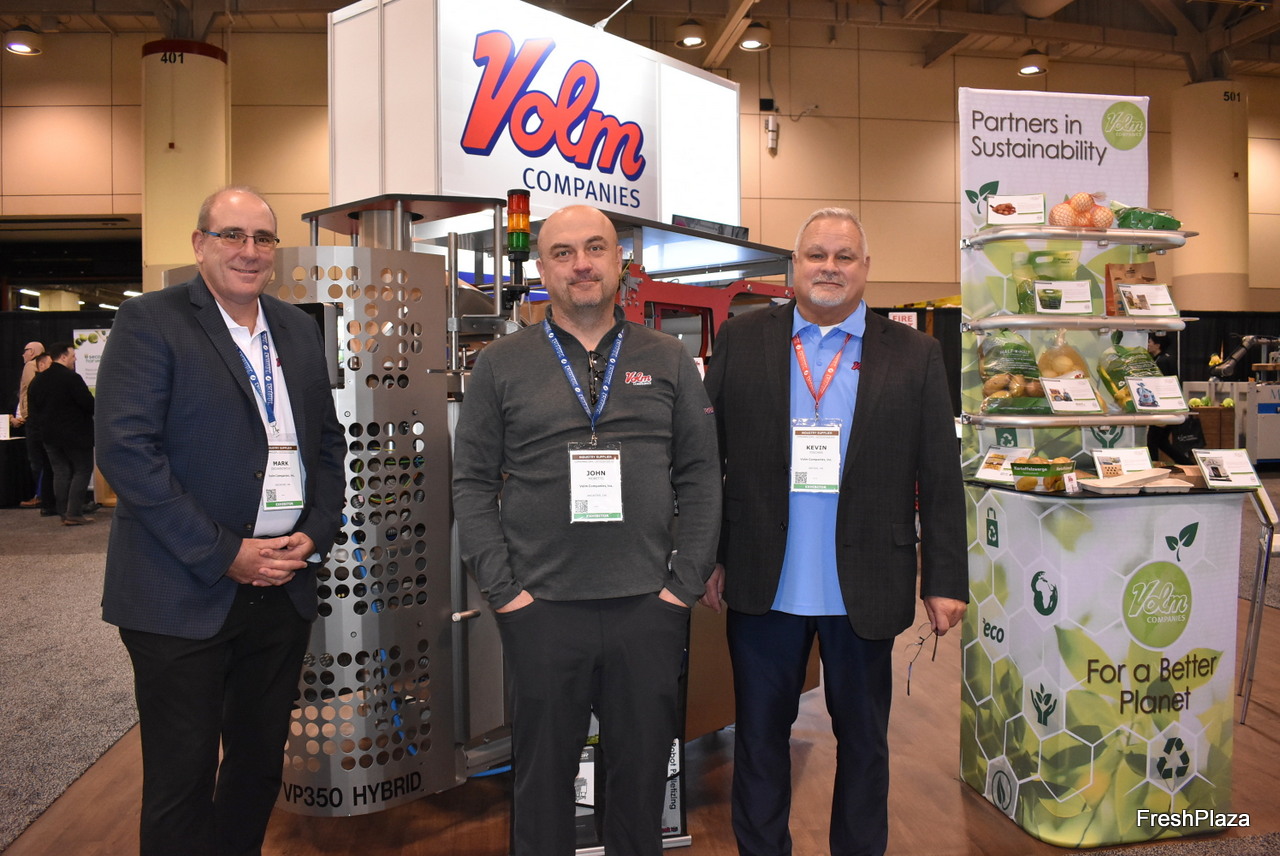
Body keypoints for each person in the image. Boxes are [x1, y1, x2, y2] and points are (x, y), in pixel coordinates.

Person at [452, 204, 721, 856]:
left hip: (647, 610)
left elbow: (701, 477)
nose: (581, 264)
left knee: (640, 789)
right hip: (541, 611)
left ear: (618, 262)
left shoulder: (667, 358)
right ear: (543, 270)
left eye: (595, 248)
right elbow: (472, 484)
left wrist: (680, 589)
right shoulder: (501, 364)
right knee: (542, 792)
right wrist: (506, 595)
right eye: (564, 252)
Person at [700, 207, 967, 856]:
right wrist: (707, 555)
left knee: (865, 746)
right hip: (763, 581)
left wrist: (945, 579)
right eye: (816, 255)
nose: (829, 267)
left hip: (866, 584)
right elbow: (708, 458)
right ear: (794, 266)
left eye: (844, 256)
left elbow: (940, 472)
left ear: (866, 268)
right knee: (759, 743)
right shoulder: (742, 339)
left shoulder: (916, 354)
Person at [96, 186, 346, 856]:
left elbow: (327, 445)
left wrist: (315, 532)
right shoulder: (150, 321)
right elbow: (127, 452)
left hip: (282, 586)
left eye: (263, 238)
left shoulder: (295, 328)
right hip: (181, 591)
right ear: (199, 244)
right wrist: (224, 553)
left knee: (257, 767)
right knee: (180, 783)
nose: (249, 251)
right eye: (232, 235)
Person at [26, 342, 96, 525]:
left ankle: (63, 512)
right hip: (76, 435)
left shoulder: (37, 381)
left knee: (60, 472)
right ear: (63, 357)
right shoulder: (72, 378)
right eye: (72, 356)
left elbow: (33, 412)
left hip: (49, 436)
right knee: (82, 470)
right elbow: (89, 404)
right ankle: (74, 513)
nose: (75, 359)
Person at [13, 341, 56, 513]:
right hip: (42, 419)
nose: (22, 354)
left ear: (32, 352)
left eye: (25, 350)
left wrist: (26, 414)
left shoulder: (30, 366)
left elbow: (32, 391)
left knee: (37, 459)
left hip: (34, 420)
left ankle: (41, 496)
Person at [1146, 333, 1192, 465]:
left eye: (1150, 342)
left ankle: (1154, 467)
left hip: (1165, 407)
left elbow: (1164, 385)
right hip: (1168, 405)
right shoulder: (1162, 359)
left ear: (1157, 345)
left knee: (1152, 440)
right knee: (1161, 442)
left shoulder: (1162, 362)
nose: (1148, 344)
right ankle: (1187, 464)